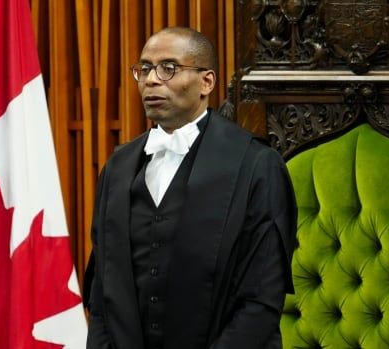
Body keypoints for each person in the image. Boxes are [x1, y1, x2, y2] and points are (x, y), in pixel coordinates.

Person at [83, 27, 297, 349]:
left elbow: (260, 302)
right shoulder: (117, 168)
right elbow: (101, 296)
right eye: (144, 69)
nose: (152, 80)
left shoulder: (255, 165)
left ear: (206, 82)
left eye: (168, 68)